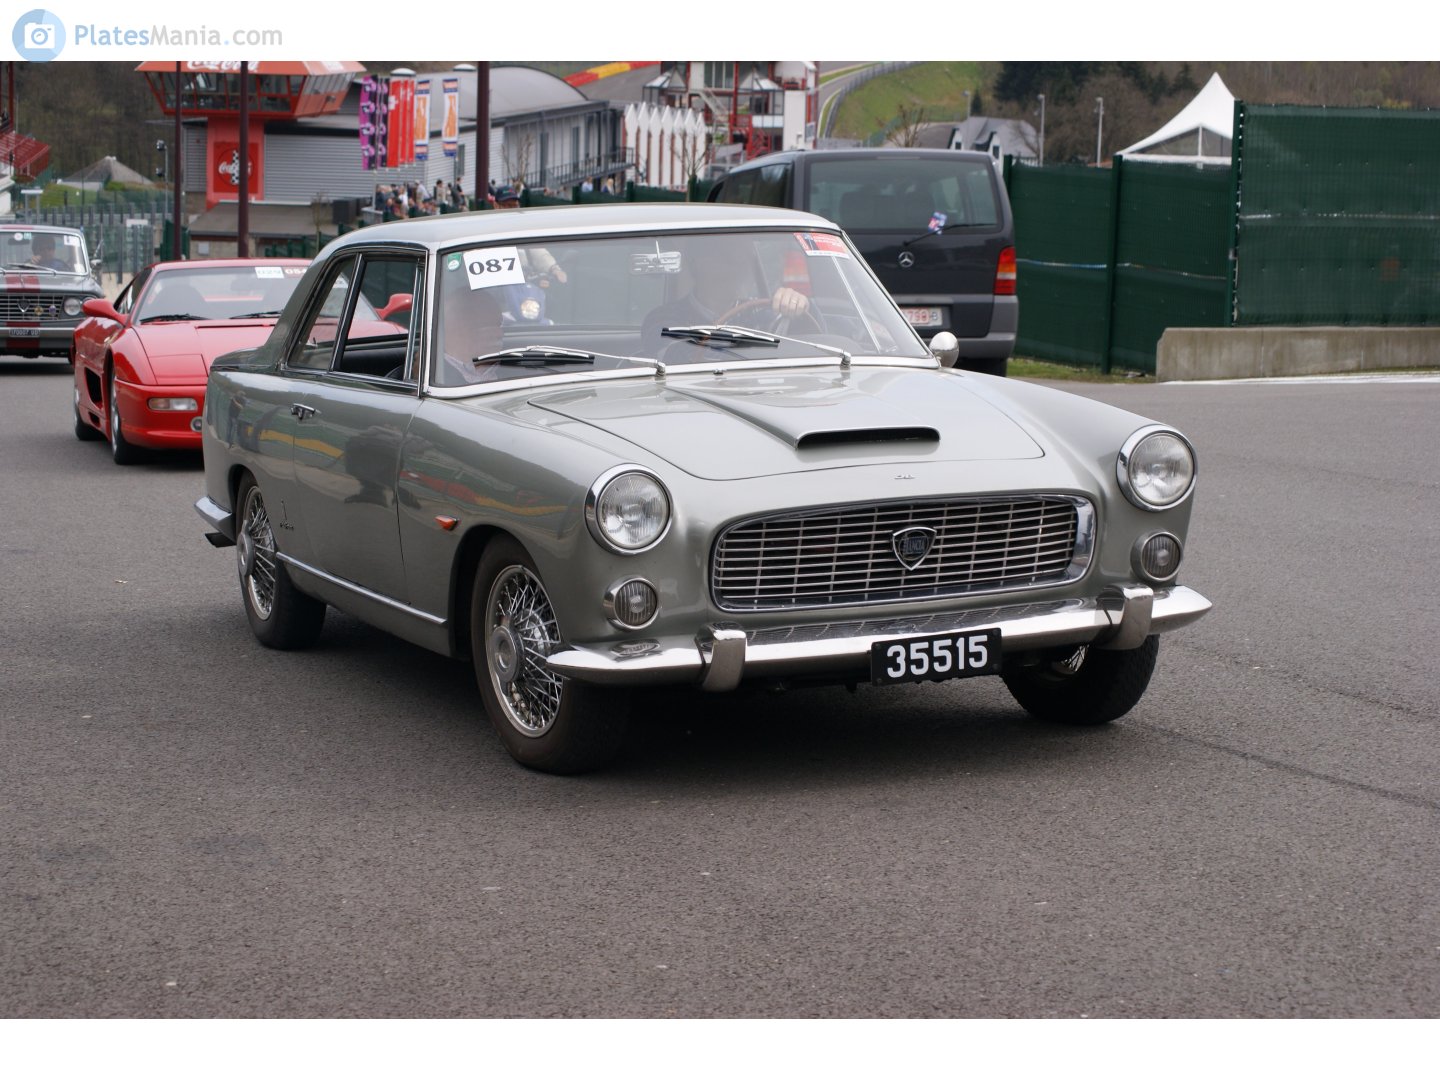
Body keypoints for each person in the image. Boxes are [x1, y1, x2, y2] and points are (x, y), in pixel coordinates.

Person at [640, 237, 810, 354]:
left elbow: (816, 342)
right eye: (728, 259)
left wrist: (798, 305)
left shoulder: (762, 313)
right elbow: (683, 355)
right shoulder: (662, 320)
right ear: (699, 263)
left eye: (744, 260)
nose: (739, 269)